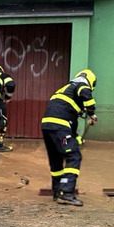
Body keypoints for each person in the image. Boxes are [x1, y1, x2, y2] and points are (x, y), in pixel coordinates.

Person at [40, 69, 98, 207]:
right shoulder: (81, 85)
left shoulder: (65, 89)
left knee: (56, 160)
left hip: (48, 125)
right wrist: (91, 112)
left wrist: (77, 139)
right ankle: (66, 193)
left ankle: (57, 191)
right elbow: (85, 93)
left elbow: (71, 125)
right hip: (60, 126)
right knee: (74, 156)